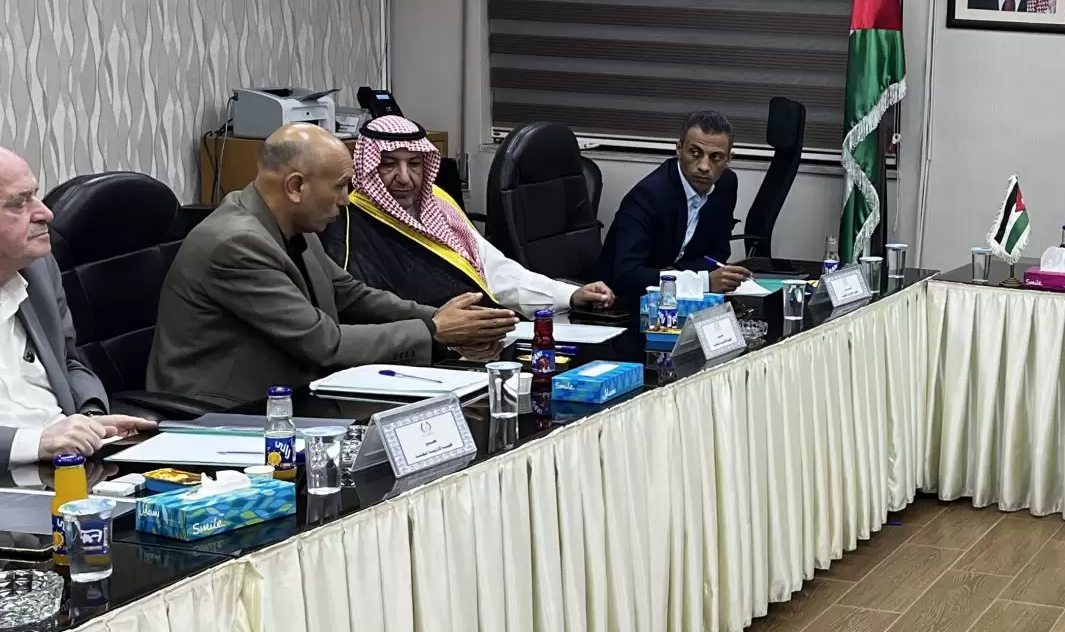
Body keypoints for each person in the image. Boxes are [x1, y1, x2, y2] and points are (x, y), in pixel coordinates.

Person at [149, 125, 517, 408]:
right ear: (296, 187)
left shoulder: (291, 223)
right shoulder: (236, 244)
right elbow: (324, 342)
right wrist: (435, 331)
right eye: (340, 187)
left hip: (292, 391)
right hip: (224, 411)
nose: (346, 200)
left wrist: (446, 319)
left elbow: (351, 296)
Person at [325, 116, 614, 316]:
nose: (404, 177)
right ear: (367, 167)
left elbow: (494, 271)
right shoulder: (348, 223)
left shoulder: (437, 201)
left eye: (414, 164)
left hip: (483, 333)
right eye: (388, 164)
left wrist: (568, 295)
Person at [0, 147, 153, 462]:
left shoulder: (39, 268)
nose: (46, 213)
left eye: (35, 196)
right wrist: (34, 442)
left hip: (67, 459)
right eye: (18, 203)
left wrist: (89, 417)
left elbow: (68, 362)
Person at [600, 109, 752, 301]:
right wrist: (701, 282)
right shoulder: (648, 196)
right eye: (695, 153)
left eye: (715, 157)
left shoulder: (726, 184)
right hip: (622, 302)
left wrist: (688, 276)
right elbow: (627, 275)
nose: (704, 167)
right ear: (679, 150)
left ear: (728, 159)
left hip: (681, 299)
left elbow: (717, 253)